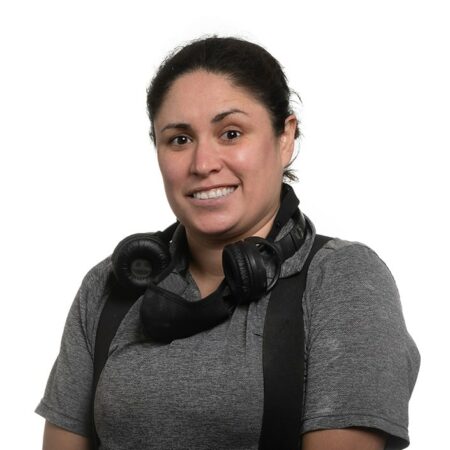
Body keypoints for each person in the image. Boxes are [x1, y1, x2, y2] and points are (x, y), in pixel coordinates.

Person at [36, 36, 420, 450]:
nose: (203, 164)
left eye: (231, 133)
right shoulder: (108, 286)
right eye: (179, 139)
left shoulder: (343, 280)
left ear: (285, 137)